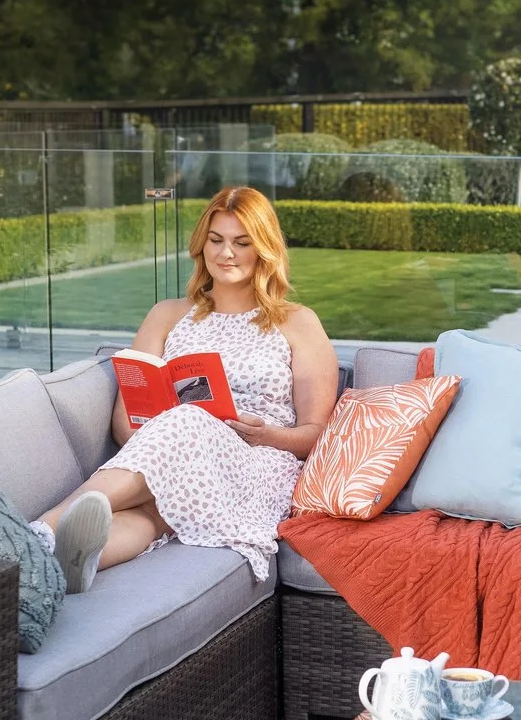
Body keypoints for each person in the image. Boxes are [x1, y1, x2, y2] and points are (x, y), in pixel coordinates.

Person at [35, 184, 338, 591]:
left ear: (263, 249)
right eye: (216, 240)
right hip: (174, 452)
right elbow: (126, 422)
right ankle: (64, 566)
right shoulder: (167, 315)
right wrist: (161, 434)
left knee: (187, 424)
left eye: (241, 242)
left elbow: (316, 433)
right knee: (157, 509)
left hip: (256, 463)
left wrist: (266, 434)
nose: (225, 253)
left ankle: (35, 533)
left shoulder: (297, 322)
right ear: (201, 245)